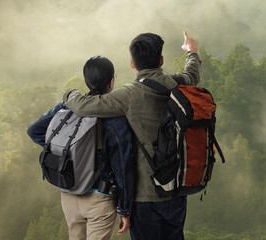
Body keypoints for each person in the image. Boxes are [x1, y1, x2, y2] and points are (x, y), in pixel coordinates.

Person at [63, 31, 200, 240]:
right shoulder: (177, 83)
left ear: (132, 64)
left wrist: (68, 93)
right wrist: (191, 51)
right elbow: (192, 75)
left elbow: (83, 106)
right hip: (176, 190)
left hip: (144, 196)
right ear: (161, 60)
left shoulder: (129, 95)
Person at [27, 56, 134, 240]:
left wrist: (66, 154)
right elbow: (123, 168)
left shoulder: (69, 110)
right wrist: (125, 209)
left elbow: (34, 130)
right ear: (111, 81)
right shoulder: (116, 120)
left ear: (87, 80)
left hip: (68, 195)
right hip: (99, 199)